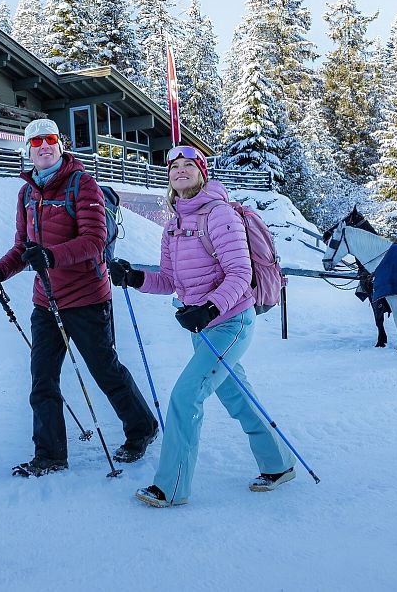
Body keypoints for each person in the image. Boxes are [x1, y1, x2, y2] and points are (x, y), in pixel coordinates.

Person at [109, 145, 295, 507]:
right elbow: (168, 280)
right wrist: (133, 277)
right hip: (204, 327)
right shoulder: (174, 224)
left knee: (185, 396)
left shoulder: (219, 214)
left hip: (231, 322)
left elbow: (241, 274)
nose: (180, 170)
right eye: (174, 166)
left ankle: (172, 487)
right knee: (237, 396)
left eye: (188, 165)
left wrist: (209, 309)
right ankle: (279, 464)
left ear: (202, 172)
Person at [0, 118, 158, 477]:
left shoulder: (82, 184)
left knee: (105, 371)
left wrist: (53, 256)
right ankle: (50, 455)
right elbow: (23, 247)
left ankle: (142, 428)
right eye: (36, 141)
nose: (44, 146)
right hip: (46, 300)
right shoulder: (27, 193)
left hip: (88, 297)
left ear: (61, 145)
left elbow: (93, 241)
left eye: (51, 139)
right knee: (42, 379)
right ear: (27, 149)